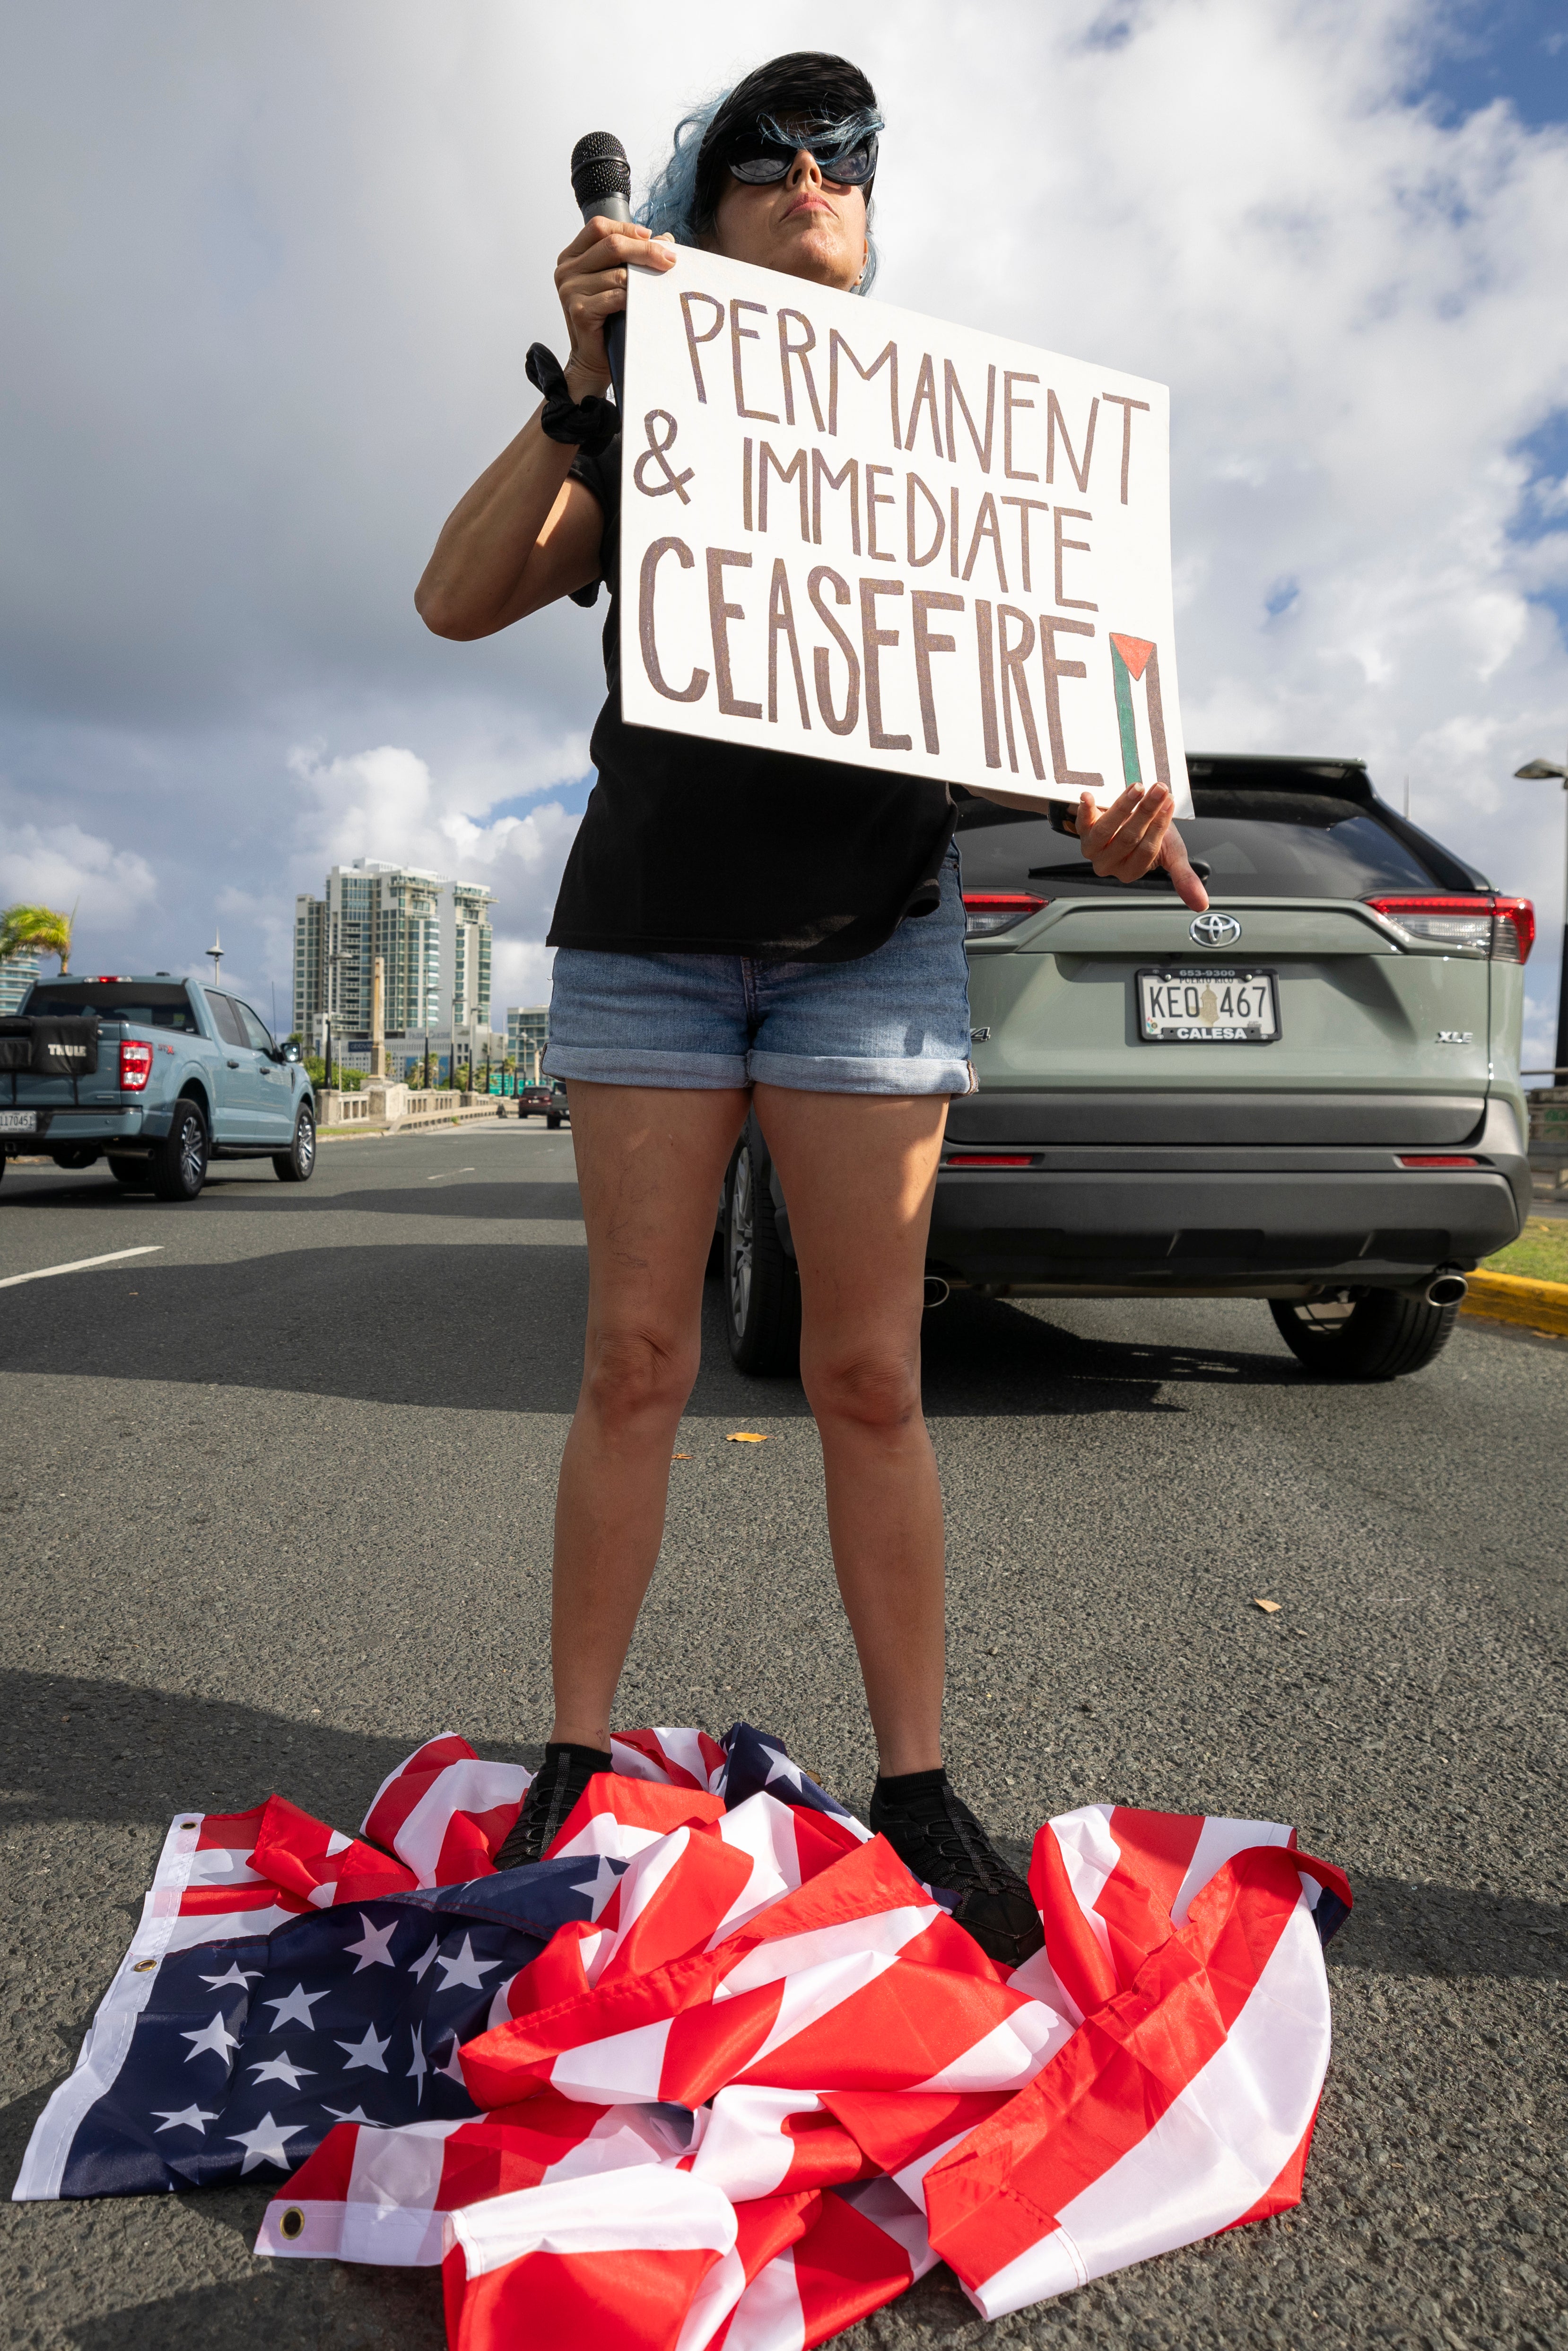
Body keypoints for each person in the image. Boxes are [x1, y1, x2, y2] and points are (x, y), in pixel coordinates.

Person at [416, 52, 1207, 1965]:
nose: (804, 173)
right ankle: (577, 1755)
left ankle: (918, 1785)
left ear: (868, 200)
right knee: (633, 1362)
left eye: (837, 153)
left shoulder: (974, 444)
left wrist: (1113, 810)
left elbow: (1067, 725)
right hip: (651, 941)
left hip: (872, 942)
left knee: (869, 1374)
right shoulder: (645, 417)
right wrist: (588, 394)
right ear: (707, 208)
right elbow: (452, 600)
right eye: (763, 153)